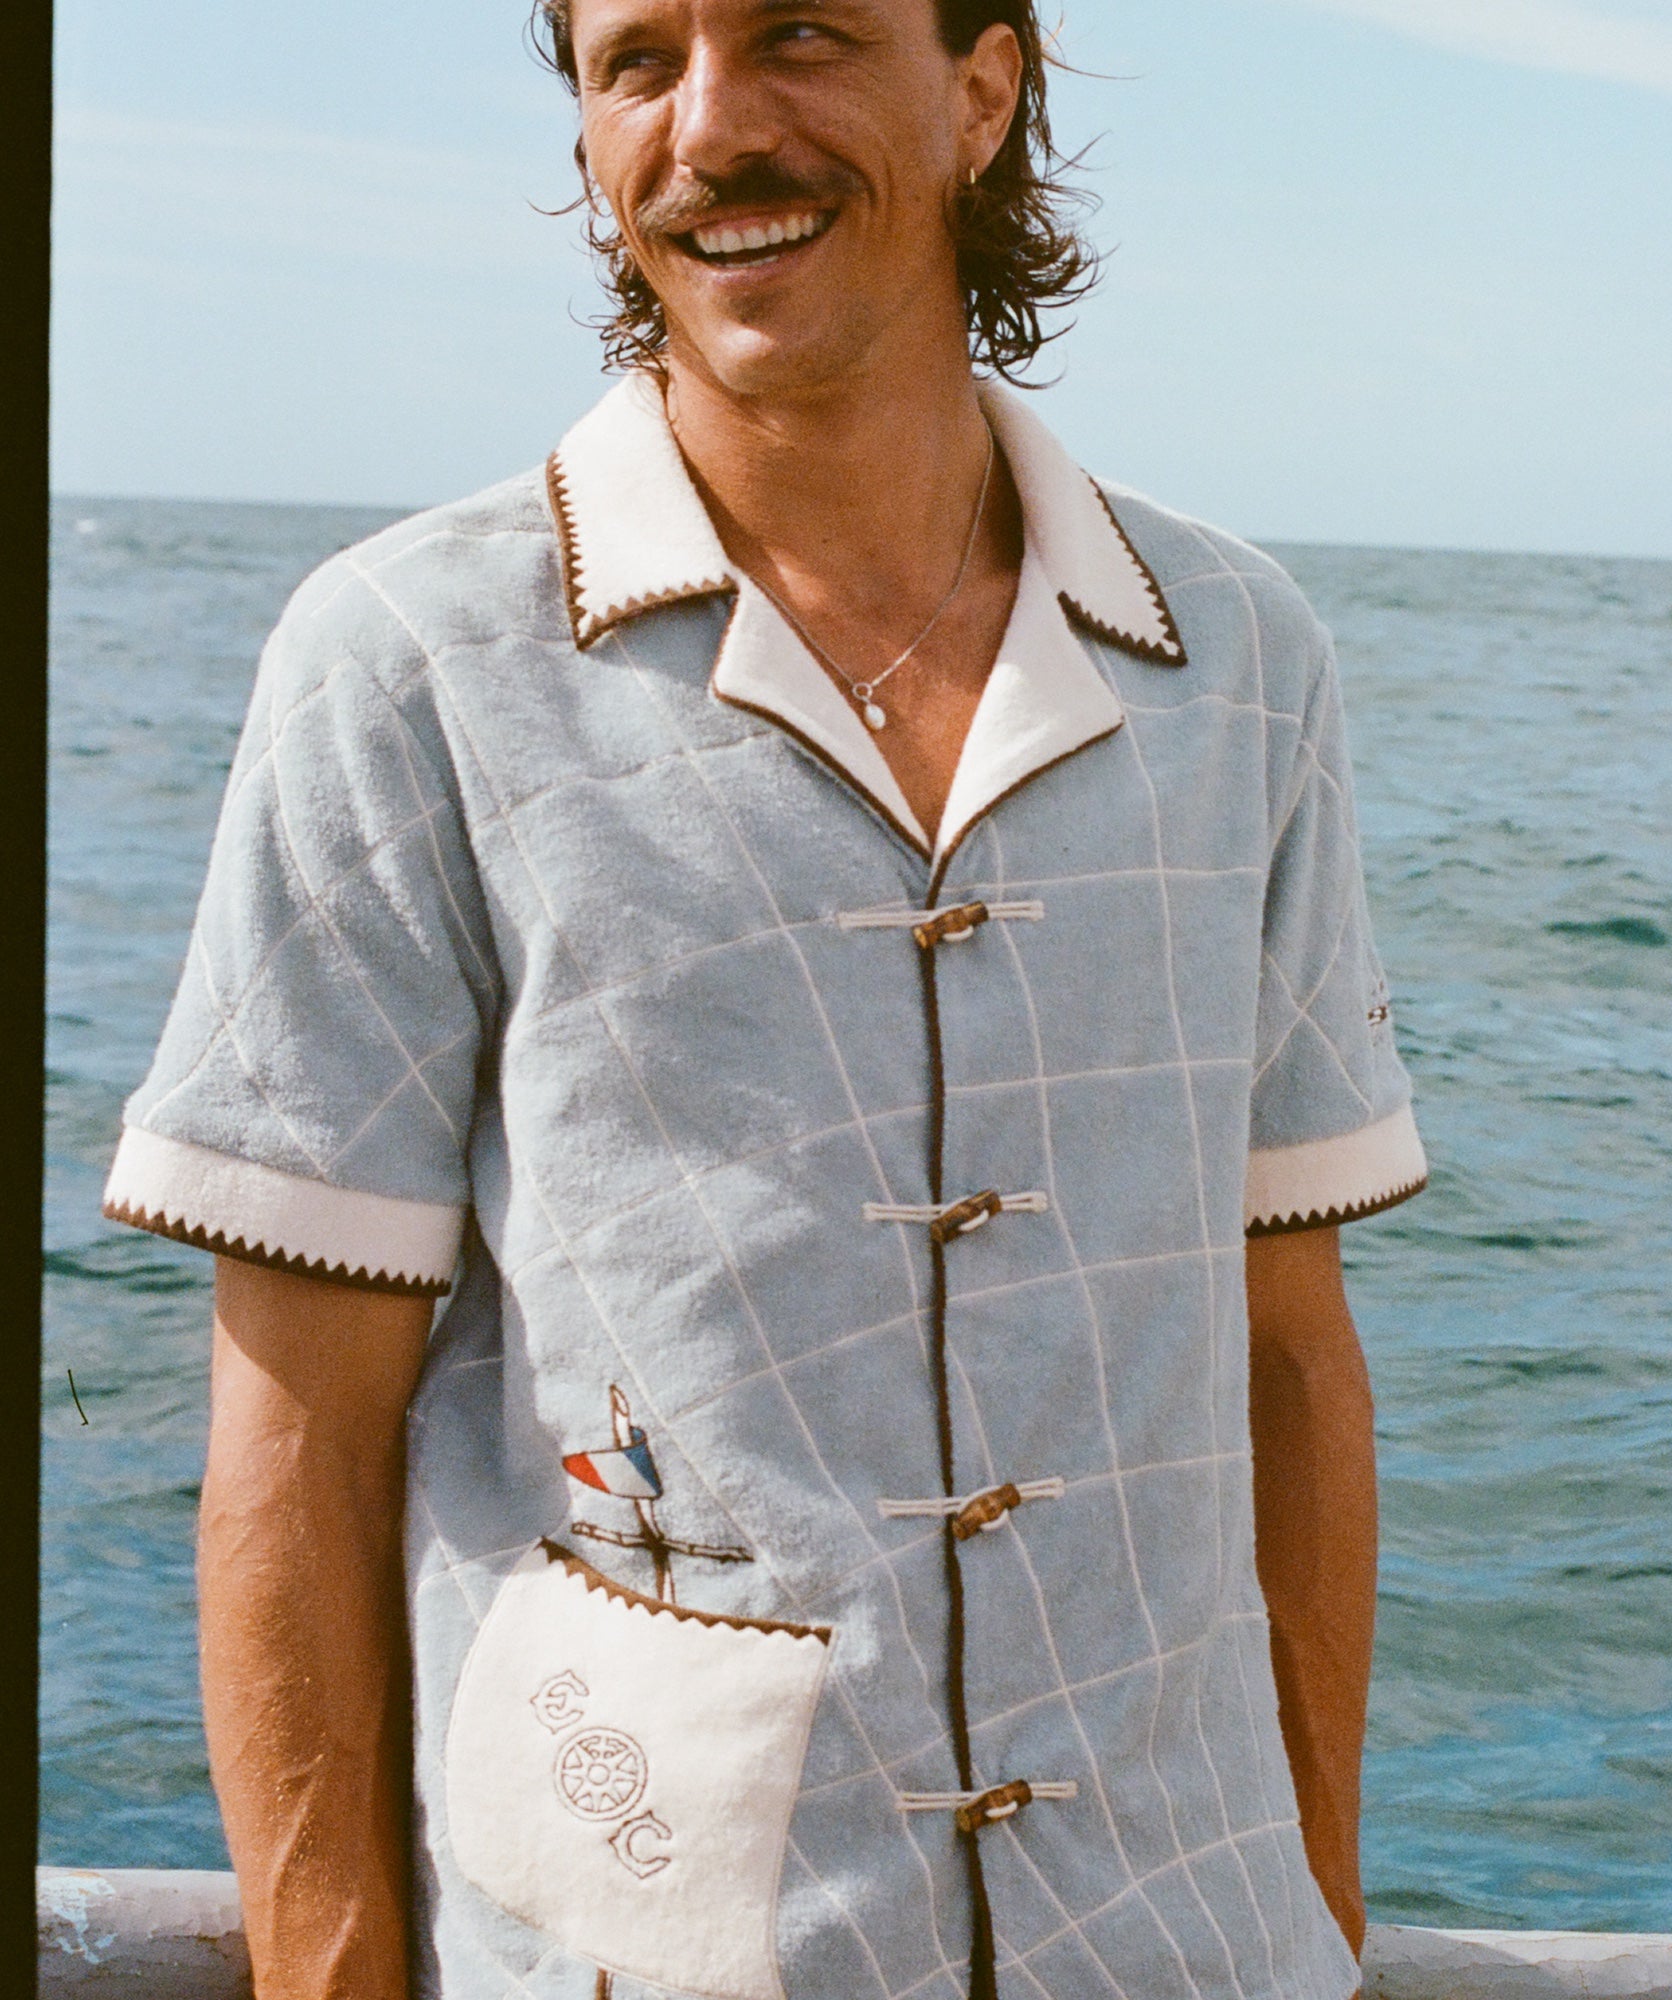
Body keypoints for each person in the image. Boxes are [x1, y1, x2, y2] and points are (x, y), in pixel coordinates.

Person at [102, 2, 1428, 1994]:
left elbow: (1290, 1355)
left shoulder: (1239, 656)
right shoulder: (406, 660)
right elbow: (297, 1424)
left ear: (982, 90)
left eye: (797, 30)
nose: (710, 127)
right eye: (638, 60)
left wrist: (1313, 1920)